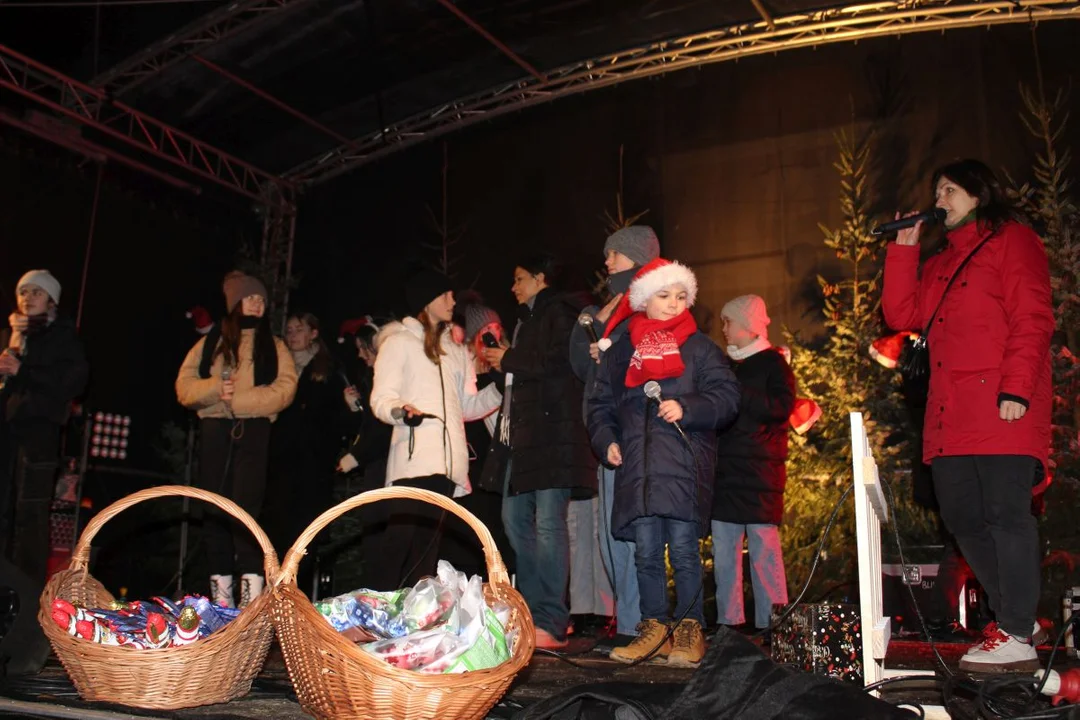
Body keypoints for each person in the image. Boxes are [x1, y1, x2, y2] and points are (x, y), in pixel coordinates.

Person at [882, 159, 1054, 673]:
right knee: (961, 517)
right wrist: (904, 249)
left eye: (951, 189)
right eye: (937, 189)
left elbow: (1033, 316)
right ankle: (1016, 619)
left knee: (1005, 514)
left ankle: (1017, 627)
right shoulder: (938, 262)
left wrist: (1018, 389)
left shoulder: (1012, 241)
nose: (940, 197)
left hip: (1003, 404)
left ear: (978, 195)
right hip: (950, 413)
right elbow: (901, 315)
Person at [587, 258, 740, 666]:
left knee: (686, 552)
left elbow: (727, 397)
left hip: (684, 467)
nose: (674, 304)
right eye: (664, 295)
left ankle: (690, 630)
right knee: (647, 553)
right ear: (643, 300)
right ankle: (654, 630)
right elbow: (600, 404)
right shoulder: (622, 353)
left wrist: (687, 407)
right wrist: (607, 441)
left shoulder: (700, 348)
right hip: (638, 468)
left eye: (680, 296)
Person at [481, 254, 597, 649]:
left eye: (519, 278)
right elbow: (528, 374)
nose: (513, 287)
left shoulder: (559, 312)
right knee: (514, 520)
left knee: (549, 525)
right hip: (525, 437)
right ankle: (530, 612)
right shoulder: (528, 319)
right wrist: (504, 362)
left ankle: (551, 617)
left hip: (553, 435)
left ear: (540, 277)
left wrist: (509, 358)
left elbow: (559, 363)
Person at [370, 270, 501, 589]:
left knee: (427, 550)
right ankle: (376, 612)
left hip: (448, 465)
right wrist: (401, 412)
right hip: (414, 460)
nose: (452, 300)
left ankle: (417, 621)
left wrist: (500, 389)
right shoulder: (399, 342)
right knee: (399, 544)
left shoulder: (455, 351)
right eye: (445, 295)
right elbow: (381, 398)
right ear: (427, 300)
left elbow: (467, 407)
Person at [176, 272, 297, 608]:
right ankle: (221, 601)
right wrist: (215, 389)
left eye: (261, 300)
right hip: (215, 430)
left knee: (247, 511)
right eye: (251, 298)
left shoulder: (274, 345)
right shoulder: (211, 342)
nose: (257, 305)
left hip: (255, 431)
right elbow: (184, 387)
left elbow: (285, 389)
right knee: (214, 510)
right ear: (236, 303)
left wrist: (241, 401)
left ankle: (251, 600)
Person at [569, 225, 662, 637]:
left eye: (615, 255)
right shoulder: (611, 307)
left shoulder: (651, 304)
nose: (607, 262)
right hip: (607, 432)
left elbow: (655, 364)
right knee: (613, 534)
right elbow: (579, 365)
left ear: (637, 257)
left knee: (633, 532)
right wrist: (591, 338)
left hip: (636, 434)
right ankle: (628, 624)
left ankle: (644, 624)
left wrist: (613, 352)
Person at [0, 270, 88, 675]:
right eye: (23, 292)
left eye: (36, 292)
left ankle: (27, 632)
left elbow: (73, 380)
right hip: (8, 438)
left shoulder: (61, 337)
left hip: (37, 441)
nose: (28, 298)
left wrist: (24, 371)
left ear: (51, 300)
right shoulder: (14, 335)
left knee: (29, 529)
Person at [712, 295, 795, 636]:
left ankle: (773, 623)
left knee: (764, 552)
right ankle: (729, 623)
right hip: (727, 470)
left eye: (728, 322)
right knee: (725, 553)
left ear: (746, 325)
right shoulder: (724, 366)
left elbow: (781, 407)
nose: (724, 329)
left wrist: (739, 391)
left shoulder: (773, 364)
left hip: (760, 471)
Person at [264, 312, 348, 597]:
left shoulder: (328, 370)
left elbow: (340, 419)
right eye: (288, 330)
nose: (292, 335)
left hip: (312, 468)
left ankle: (299, 602)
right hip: (280, 467)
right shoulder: (277, 368)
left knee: (304, 538)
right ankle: (272, 598)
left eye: (299, 329)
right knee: (276, 532)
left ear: (313, 333)